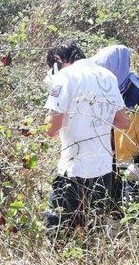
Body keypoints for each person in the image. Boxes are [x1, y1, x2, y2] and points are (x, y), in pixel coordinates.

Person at [43, 39, 130, 230]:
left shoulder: (65, 77)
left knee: (57, 227)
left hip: (74, 167)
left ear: (59, 60)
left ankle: (59, 259)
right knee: (94, 228)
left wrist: (54, 90)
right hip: (103, 167)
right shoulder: (108, 76)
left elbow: (50, 129)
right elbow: (123, 122)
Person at [92, 45, 139, 206]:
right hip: (110, 166)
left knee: (133, 215)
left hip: (134, 165)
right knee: (111, 213)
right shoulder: (107, 90)